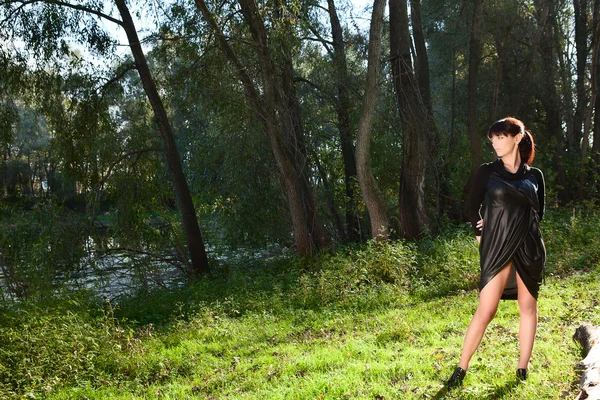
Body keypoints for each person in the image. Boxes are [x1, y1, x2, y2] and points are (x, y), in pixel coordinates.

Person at [446, 117, 546, 389]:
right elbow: (470, 208)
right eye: (493, 138)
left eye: (501, 137)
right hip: (497, 247)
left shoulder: (535, 176)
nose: (495, 143)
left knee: (528, 308)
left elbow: (539, 212)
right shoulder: (487, 172)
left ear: (517, 137)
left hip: (529, 247)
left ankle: (522, 369)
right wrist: (481, 234)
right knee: (486, 310)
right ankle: (460, 369)